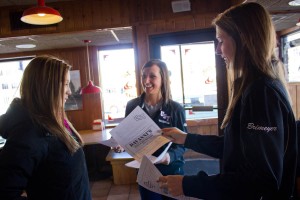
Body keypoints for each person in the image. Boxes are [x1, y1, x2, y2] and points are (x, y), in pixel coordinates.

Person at [158, 2, 297, 200]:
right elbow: (235, 147)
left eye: (221, 40)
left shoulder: (261, 93)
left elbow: (261, 181)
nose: (217, 50)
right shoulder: (254, 85)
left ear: (244, 40)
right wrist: (186, 138)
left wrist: (187, 184)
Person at [0, 55, 92, 200]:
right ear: (48, 87)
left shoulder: (55, 120)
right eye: (66, 84)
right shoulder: (29, 132)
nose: (69, 91)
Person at [125, 59, 187, 200]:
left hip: (171, 171)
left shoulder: (175, 109)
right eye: (143, 76)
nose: (146, 81)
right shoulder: (132, 106)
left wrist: (169, 157)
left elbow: (184, 144)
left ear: (163, 79)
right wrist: (120, 144)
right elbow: (128, 136)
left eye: (152, 76)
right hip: (146, 171)